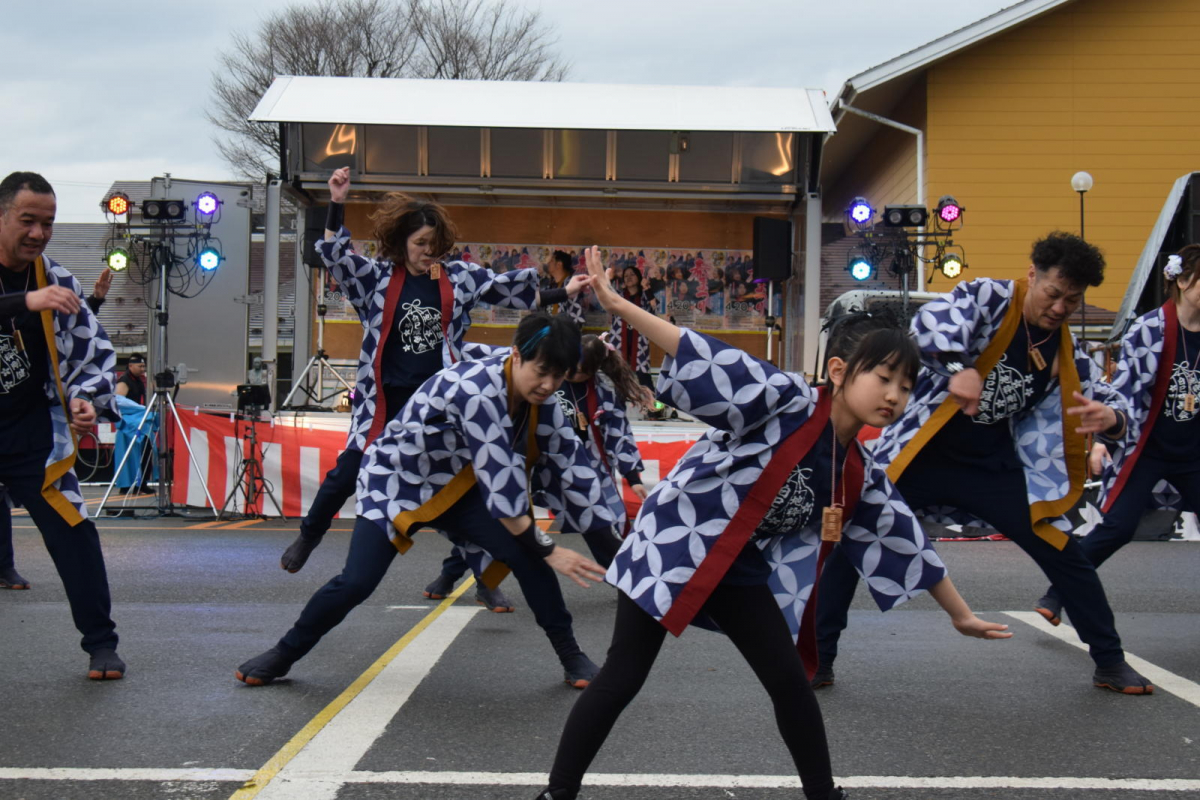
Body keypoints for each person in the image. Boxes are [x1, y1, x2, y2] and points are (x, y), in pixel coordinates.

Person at [533, 247, 1010, 800]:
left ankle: (823, 796)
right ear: (839, 370)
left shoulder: (856, 471)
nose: (894, 396)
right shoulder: (785, 399)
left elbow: (905, 542)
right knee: (622, 677)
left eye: (905, 387)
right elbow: (705, 354)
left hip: (735, 564)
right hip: (673, 543)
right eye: (883, 378)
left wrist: (963, 615)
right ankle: (557, 794)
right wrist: (617, 305)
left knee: (790, 682)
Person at [812, 232, 1153, 695]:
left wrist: (1110, 419)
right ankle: (817, 658)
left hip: (990, 469)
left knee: (1063, 552)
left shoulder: (1063, 350)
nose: (1058, 308)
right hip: (921, 456)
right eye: (1053, 293)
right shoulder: (989, 298)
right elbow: (932, 326)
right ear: (1032, 275)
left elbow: (1113, 403)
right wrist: (960, 370)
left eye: (1071, 301)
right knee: (853, 541)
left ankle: (1110, 662)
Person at [236, 313, 618, 689]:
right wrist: (552, 548)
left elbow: (577, 472)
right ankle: (283, 653)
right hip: (398, 480)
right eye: (542, 371)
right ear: (516, 354)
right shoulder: (477, 389)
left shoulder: (545, 402)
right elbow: (503, 488)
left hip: (459, 489)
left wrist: (619, 556)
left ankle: (571, 656)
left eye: (560, 376)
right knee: (357, 582)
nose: (549, 384)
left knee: (529, 558)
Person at [279, 167, 589, 573]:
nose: (428, 251)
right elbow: (336, 256)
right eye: (420, 243)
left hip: (438, 401)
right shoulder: (376, 279)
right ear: (400, 242)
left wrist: (561, 292)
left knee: (467, 479)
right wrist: (337, 203)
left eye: (434, 244)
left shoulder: (455, 278)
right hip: (386, 400)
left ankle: (478, 571)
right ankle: (309, 534)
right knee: (349, 470)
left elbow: (502, 289)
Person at [1033, 244, 1200, 629]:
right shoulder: (1151, 330)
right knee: (1118, 527)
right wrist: (1106, 442)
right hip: (1147, 449)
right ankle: (1057, 593)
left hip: (1192, 452)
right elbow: (1123, 395)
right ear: (1184, 280)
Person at [421, 333, 652, 609]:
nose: (566, 376)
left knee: (600, 525)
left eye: (579, 372)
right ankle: (473, 580)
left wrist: (633, 474)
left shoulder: (603, 391)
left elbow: (619, 434)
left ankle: (628, 581)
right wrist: (440, 341)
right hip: (524, 459)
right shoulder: (538, 369)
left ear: (593, 371)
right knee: (496, 519)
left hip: (579, 469)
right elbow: (465, 348)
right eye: (567, 368)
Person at [0, 171, 123, 679]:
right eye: (27, 221)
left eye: (47, 223)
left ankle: (101, 643)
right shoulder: (38, 293)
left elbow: (92, 355)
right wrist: (25, 303)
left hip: (29, 433)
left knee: (75, 531)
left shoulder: (58, 282)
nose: (38, 233)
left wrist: (84, 399)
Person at [542, 250, 585, 327]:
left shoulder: (571, 284)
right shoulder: (551, 285)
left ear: (559, 264)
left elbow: (576, 316)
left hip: (564, 334)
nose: (547, 263)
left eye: (551, 261)